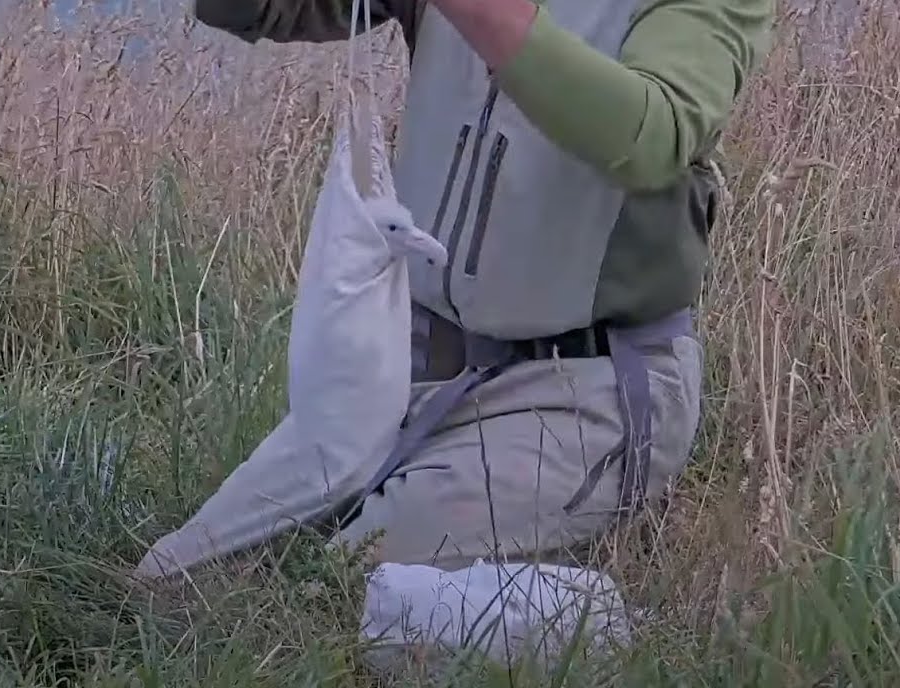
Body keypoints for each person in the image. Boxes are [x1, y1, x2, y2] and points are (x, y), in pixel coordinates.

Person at [175, 0, 773, 573]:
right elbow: (247, 9)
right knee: (186, 573)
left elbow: (651, 135)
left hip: (587, 390)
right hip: (412, 376)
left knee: (346, 585)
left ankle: (601, 633)